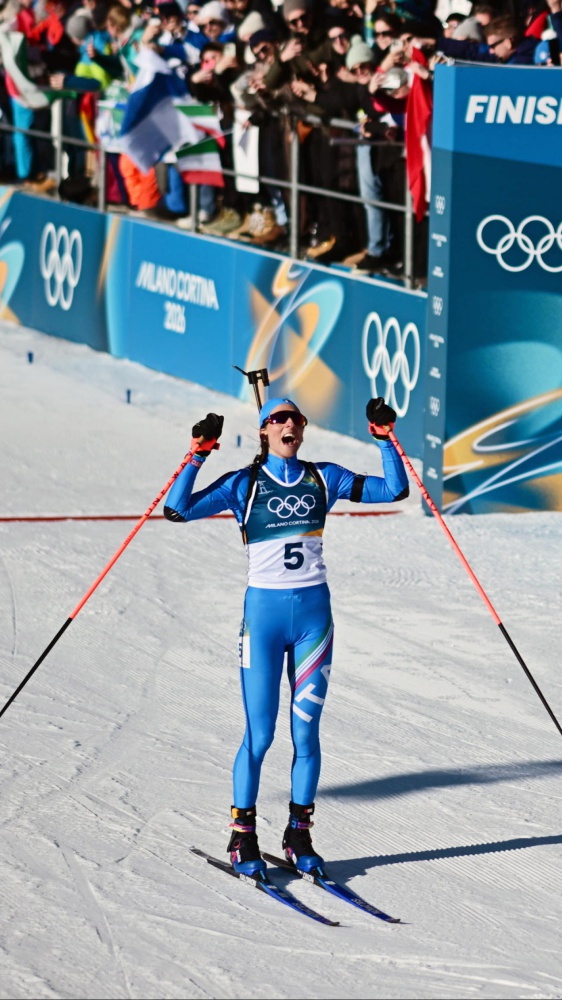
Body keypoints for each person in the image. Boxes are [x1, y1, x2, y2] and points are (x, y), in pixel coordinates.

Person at [163, 395, 409, 875]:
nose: (287, 424)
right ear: (263, 430)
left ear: (303, 427)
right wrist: (198, 453)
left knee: (306, 735)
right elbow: (177, 510)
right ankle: (242, 836)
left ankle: (299, 834)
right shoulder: (244, 484)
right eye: (277, 418)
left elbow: (394, 490)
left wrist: (385, 439)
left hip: (314, 621)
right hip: (265, 620)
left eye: (295, 417)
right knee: (260, 735)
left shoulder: (325, 478)